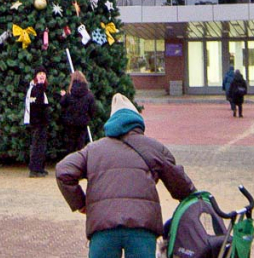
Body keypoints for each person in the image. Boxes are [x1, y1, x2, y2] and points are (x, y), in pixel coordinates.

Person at [55, 93, 196, 258]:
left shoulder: (93, 149)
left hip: (103, 227)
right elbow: (181, 185)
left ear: (111, 122)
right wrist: (193, 197)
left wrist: (81, 204)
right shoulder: (154, 148)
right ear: (137, 121)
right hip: (142, 226)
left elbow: (63, 171)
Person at [59, 70, 96, 154]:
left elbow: (62, 103)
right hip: (82, 123)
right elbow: (93, 109)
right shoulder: (89, 94)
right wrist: (88, 118)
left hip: (70, 123)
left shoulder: (70, 93)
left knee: (70, 146)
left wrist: (64, 96)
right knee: (81, 145)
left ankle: (70, 164)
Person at [23, 66, 50, 177]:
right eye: (39, 73)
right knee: (36, 145)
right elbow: (36, 106)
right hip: (37, 123)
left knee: (41, 146)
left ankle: (40, 168)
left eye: (43, 73)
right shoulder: (35, 89)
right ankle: (34, 169)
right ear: (35, 76)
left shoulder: (41, 89)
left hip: (42, 123)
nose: (42, 75)